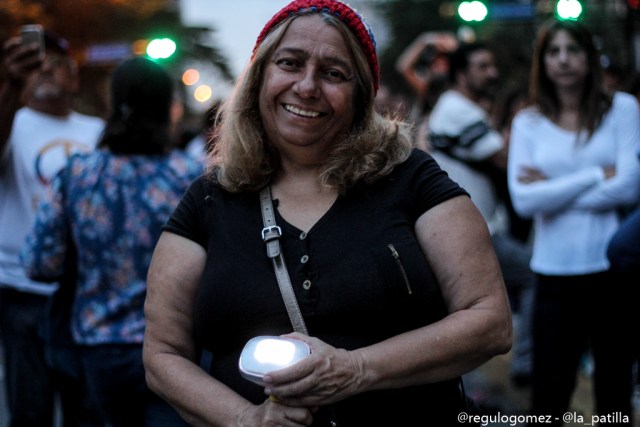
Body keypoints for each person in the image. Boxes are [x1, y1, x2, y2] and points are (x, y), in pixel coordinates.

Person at [142, 1, 512, 426]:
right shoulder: (210, 199)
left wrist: (355, 370)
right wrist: (247, 419)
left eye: (334, 73)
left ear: (361, 95)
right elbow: (162, 354)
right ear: (260, 75)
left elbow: (489, 319)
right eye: (290, 63)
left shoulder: (410, 178)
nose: (307, 86)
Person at [21, 56, 203, 427]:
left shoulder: (77, 175)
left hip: (96, 349)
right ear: (167, 105)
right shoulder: (191, 178)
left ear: (112, 104)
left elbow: (40, 264)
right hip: (177, 347)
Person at [507, 19, 640, 426]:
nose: (563, 60)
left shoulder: (622, 108)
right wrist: (597, 174)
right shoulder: (528, 122)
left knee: (614, 394)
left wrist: (555, 188)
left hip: (611, 270)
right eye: (553, 51)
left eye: (573, 50)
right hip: (552, 273)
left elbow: (631, 189)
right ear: (542, 61)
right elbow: (524, 201)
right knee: (549, 394)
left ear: (589, 57)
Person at [0, 29, 105, 426]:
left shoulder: (96, 131)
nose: (45, 71)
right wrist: (10, 86)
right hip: (22, 291)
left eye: (56, 66)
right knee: (30, 409)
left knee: (88, 410)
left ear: (75, 77)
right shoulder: (12, 121)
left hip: (86, 292)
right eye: (36, 65)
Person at [427, 42, 536, 388]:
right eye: (483, 66)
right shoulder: (458, 109)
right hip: (475, 230)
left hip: (474, 226)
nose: (493, 73)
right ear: (461, 75)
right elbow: (506, 157)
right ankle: (524, 364)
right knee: (533, 275)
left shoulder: (458, 108)